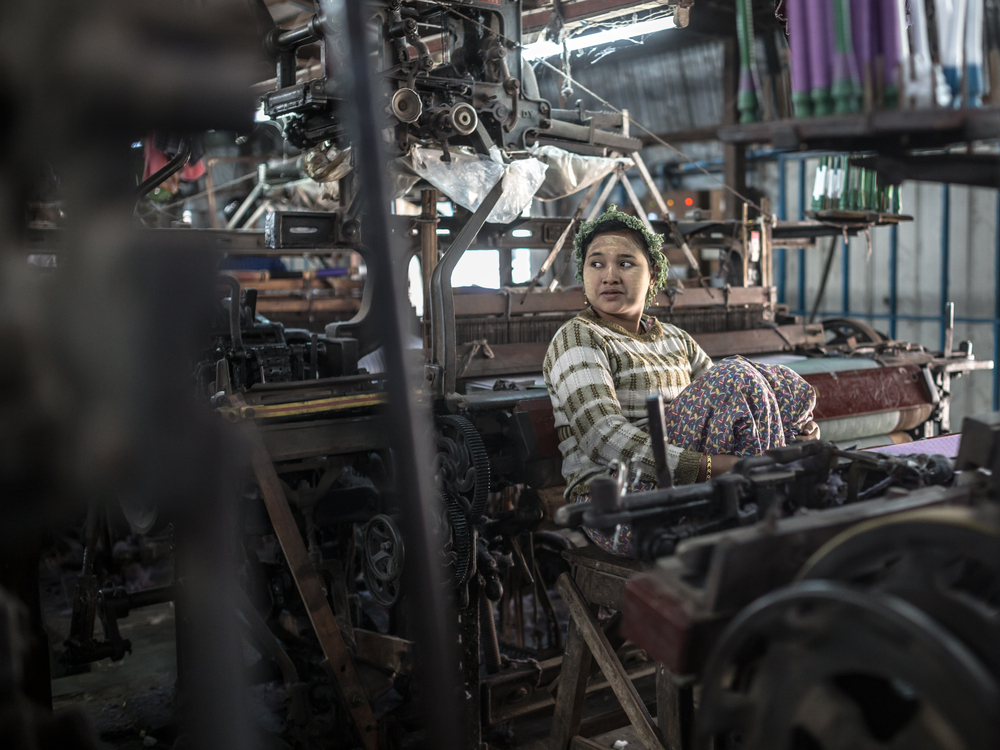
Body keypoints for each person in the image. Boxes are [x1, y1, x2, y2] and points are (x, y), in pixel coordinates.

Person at [543, 207, 818, 556]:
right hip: (622, 506)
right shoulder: (578, 337)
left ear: (653, 272)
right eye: (596, 264)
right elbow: (603, 436)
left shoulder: (676, 339)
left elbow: (737, 403)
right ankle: (771, 505)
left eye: (625, 263)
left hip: (694, 493)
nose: (609, 275)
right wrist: (712, 467)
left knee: (773, 381)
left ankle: (765, 503)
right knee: (736, 374)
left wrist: (801, 431)